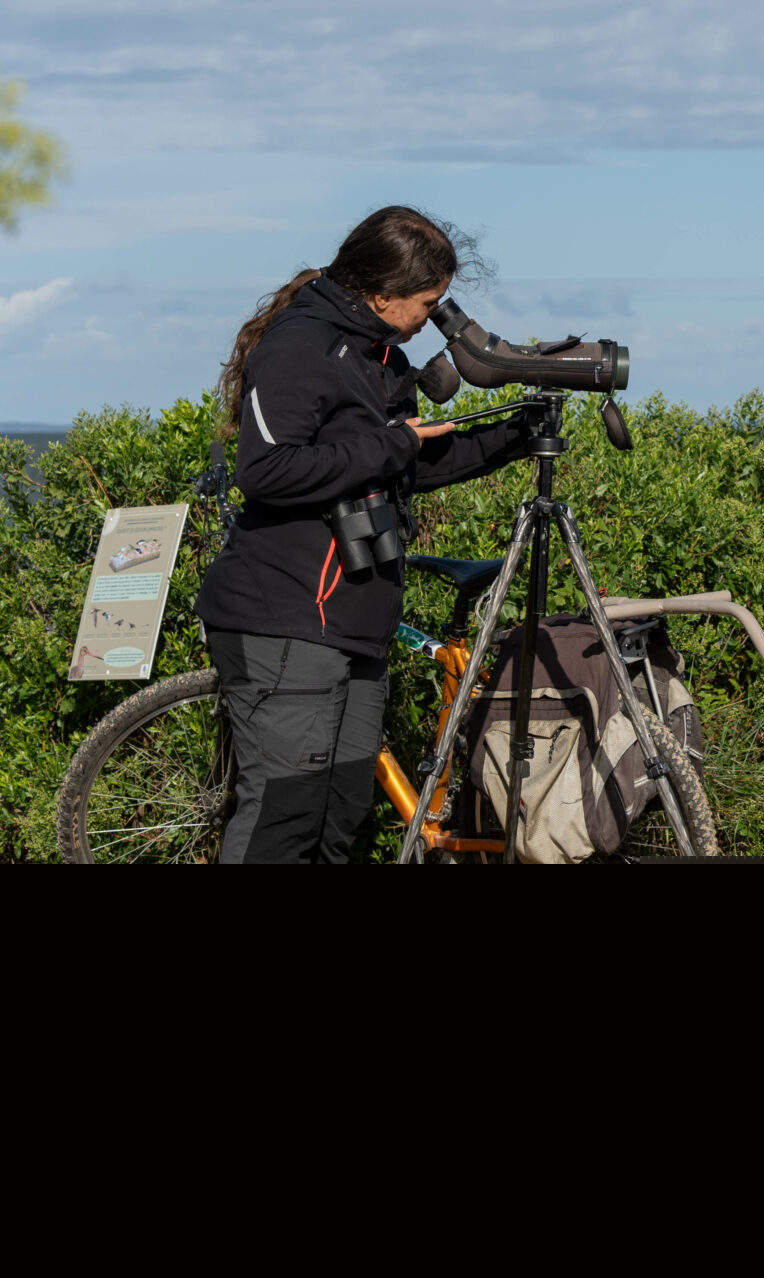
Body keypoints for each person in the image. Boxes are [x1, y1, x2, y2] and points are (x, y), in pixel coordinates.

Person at [195, 206, 532, 863]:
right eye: (428, 301)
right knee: (284, 819)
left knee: (340, 819)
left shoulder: (378, 355)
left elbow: (405, 460)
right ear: (382, 292)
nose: (435, 314)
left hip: (352, 623)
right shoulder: (300, 346)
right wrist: (390, 442)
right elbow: (266, 470)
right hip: (286, 616)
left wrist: (516, 433)